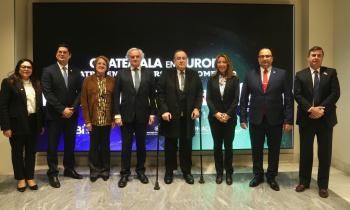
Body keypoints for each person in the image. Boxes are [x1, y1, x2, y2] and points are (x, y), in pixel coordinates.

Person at [239, 48, 293, 191]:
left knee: (274, 150)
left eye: (267, 56)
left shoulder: (282, 74)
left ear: (272, 58)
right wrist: (243, 117)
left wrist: (288, 120)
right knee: (256, 149)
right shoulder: (250, 74)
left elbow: (288, 98)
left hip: (276, 119)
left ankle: (271, 176)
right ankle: (258, 175)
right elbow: (243, 98)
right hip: (256, 120)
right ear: (258, 59)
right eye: (262, 56)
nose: (265, 58)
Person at [294, 46, 340, 198]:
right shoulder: (300, 75)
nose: (316, 57)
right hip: (307, 119)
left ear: (322, 58)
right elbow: (298, 95)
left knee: (324, 153)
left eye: (319, 55)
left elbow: (335, 93)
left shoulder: (331, 73)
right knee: (306, 153)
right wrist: (311, 109)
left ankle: (323, 185)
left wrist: (321, 110)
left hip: (325, 119)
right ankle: (304, 181)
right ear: (308, 58)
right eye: (313, 55)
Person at [158, 50, 203, 184]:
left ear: (187, 60)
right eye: (178, 58)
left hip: (188, 117)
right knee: (170, 145)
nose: (181, 60)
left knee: (186, 145)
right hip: (170, 117)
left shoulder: (194, 75)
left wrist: (197, 107)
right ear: (174, 61)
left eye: (183, 58)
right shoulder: (166, 74)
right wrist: (164, 110)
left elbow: (199, 93)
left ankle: (186, 171)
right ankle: (169, 172)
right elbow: (160, 94)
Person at [113, 48, 156, 188]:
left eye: (138, 56)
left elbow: (153, 96)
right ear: (129, 59)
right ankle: (124, 173)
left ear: (141, 58)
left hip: (143, 115)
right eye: (132, 57)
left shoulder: (149, 73)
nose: (135, 59)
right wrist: (117, 114)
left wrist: (152, 113)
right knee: (126, 146)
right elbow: (115, 96)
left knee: (141, 146)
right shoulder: (121, 73)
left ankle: (140, 171)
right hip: (125, 116)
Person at [41, 43, 83, 188]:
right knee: (52, 145)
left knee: (70, 143)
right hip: (55, 115)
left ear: (69, 55)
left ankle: (69, 169)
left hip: (71, 114)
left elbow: (81, 92)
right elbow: (48, 93)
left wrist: (72, 108)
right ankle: (52, 173)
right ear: (56, 54)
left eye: (65, 52)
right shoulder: (48, 71)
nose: (62, 54)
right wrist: (62, 109)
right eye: (59, 52)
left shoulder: (75, 72)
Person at [0, 59, 44, 192]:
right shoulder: (9, 82)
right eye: (23, 67)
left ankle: (30, 177)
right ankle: (20, 179)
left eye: (29, 67)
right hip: (16, 124)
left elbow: (39, 106)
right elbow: (3, 106)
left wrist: (40, 124)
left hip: (33, 122)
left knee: (31, 152)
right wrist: (6, 126)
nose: (26, 69)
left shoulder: (36, 83)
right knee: (17, 152)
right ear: (18, 68)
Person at [206, 54, 239, 185]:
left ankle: (229, 173)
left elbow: (236, 99)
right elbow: (208, 98)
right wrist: (216, 113)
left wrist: (228, 114)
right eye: (219, 62)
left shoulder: (234, 78)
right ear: (216, 64)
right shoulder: (211, 79)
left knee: (229, 146)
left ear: (228, 64)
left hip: (229, 119)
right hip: (215, 119)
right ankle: (219, 173)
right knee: (217, 146)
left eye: (224, 62)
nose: (221, 64)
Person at [81, 55, 115, 182]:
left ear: (107, 67)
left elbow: (115, 101)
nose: (101, 66)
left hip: (107, 120)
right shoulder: (87, 80)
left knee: (105, 146)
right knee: (94, 146)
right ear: (95, 66)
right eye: (99, 64)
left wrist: (113, 118)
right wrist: (87, 121)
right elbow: (84, 102)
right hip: (93, 120)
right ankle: (94, 170)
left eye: (104, 64)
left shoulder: (112, 80)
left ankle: (105, 170)